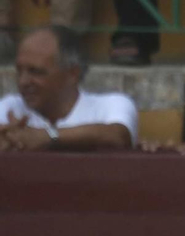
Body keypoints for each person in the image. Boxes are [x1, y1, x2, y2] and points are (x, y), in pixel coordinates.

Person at [0, 26, 137, 152]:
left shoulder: (111, 104)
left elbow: (117, 136)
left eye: (36, 71)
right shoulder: (10, 107)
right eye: (19, 71)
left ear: (72, 74)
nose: (23, 81)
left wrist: (47, 137)